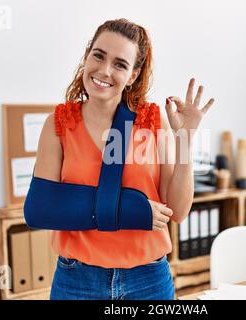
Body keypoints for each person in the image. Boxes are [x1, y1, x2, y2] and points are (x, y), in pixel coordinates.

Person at [33, 18, 214, 300]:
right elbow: (40, 209)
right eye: (99, 55)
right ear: (86, 55)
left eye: (120, 64)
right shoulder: (59, 124)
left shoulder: (152, 121)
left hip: (148, 280)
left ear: (133, 74)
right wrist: (129, 210)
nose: (105, 71)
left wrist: (185, 140)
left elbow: (177, 211)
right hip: (77, 280)